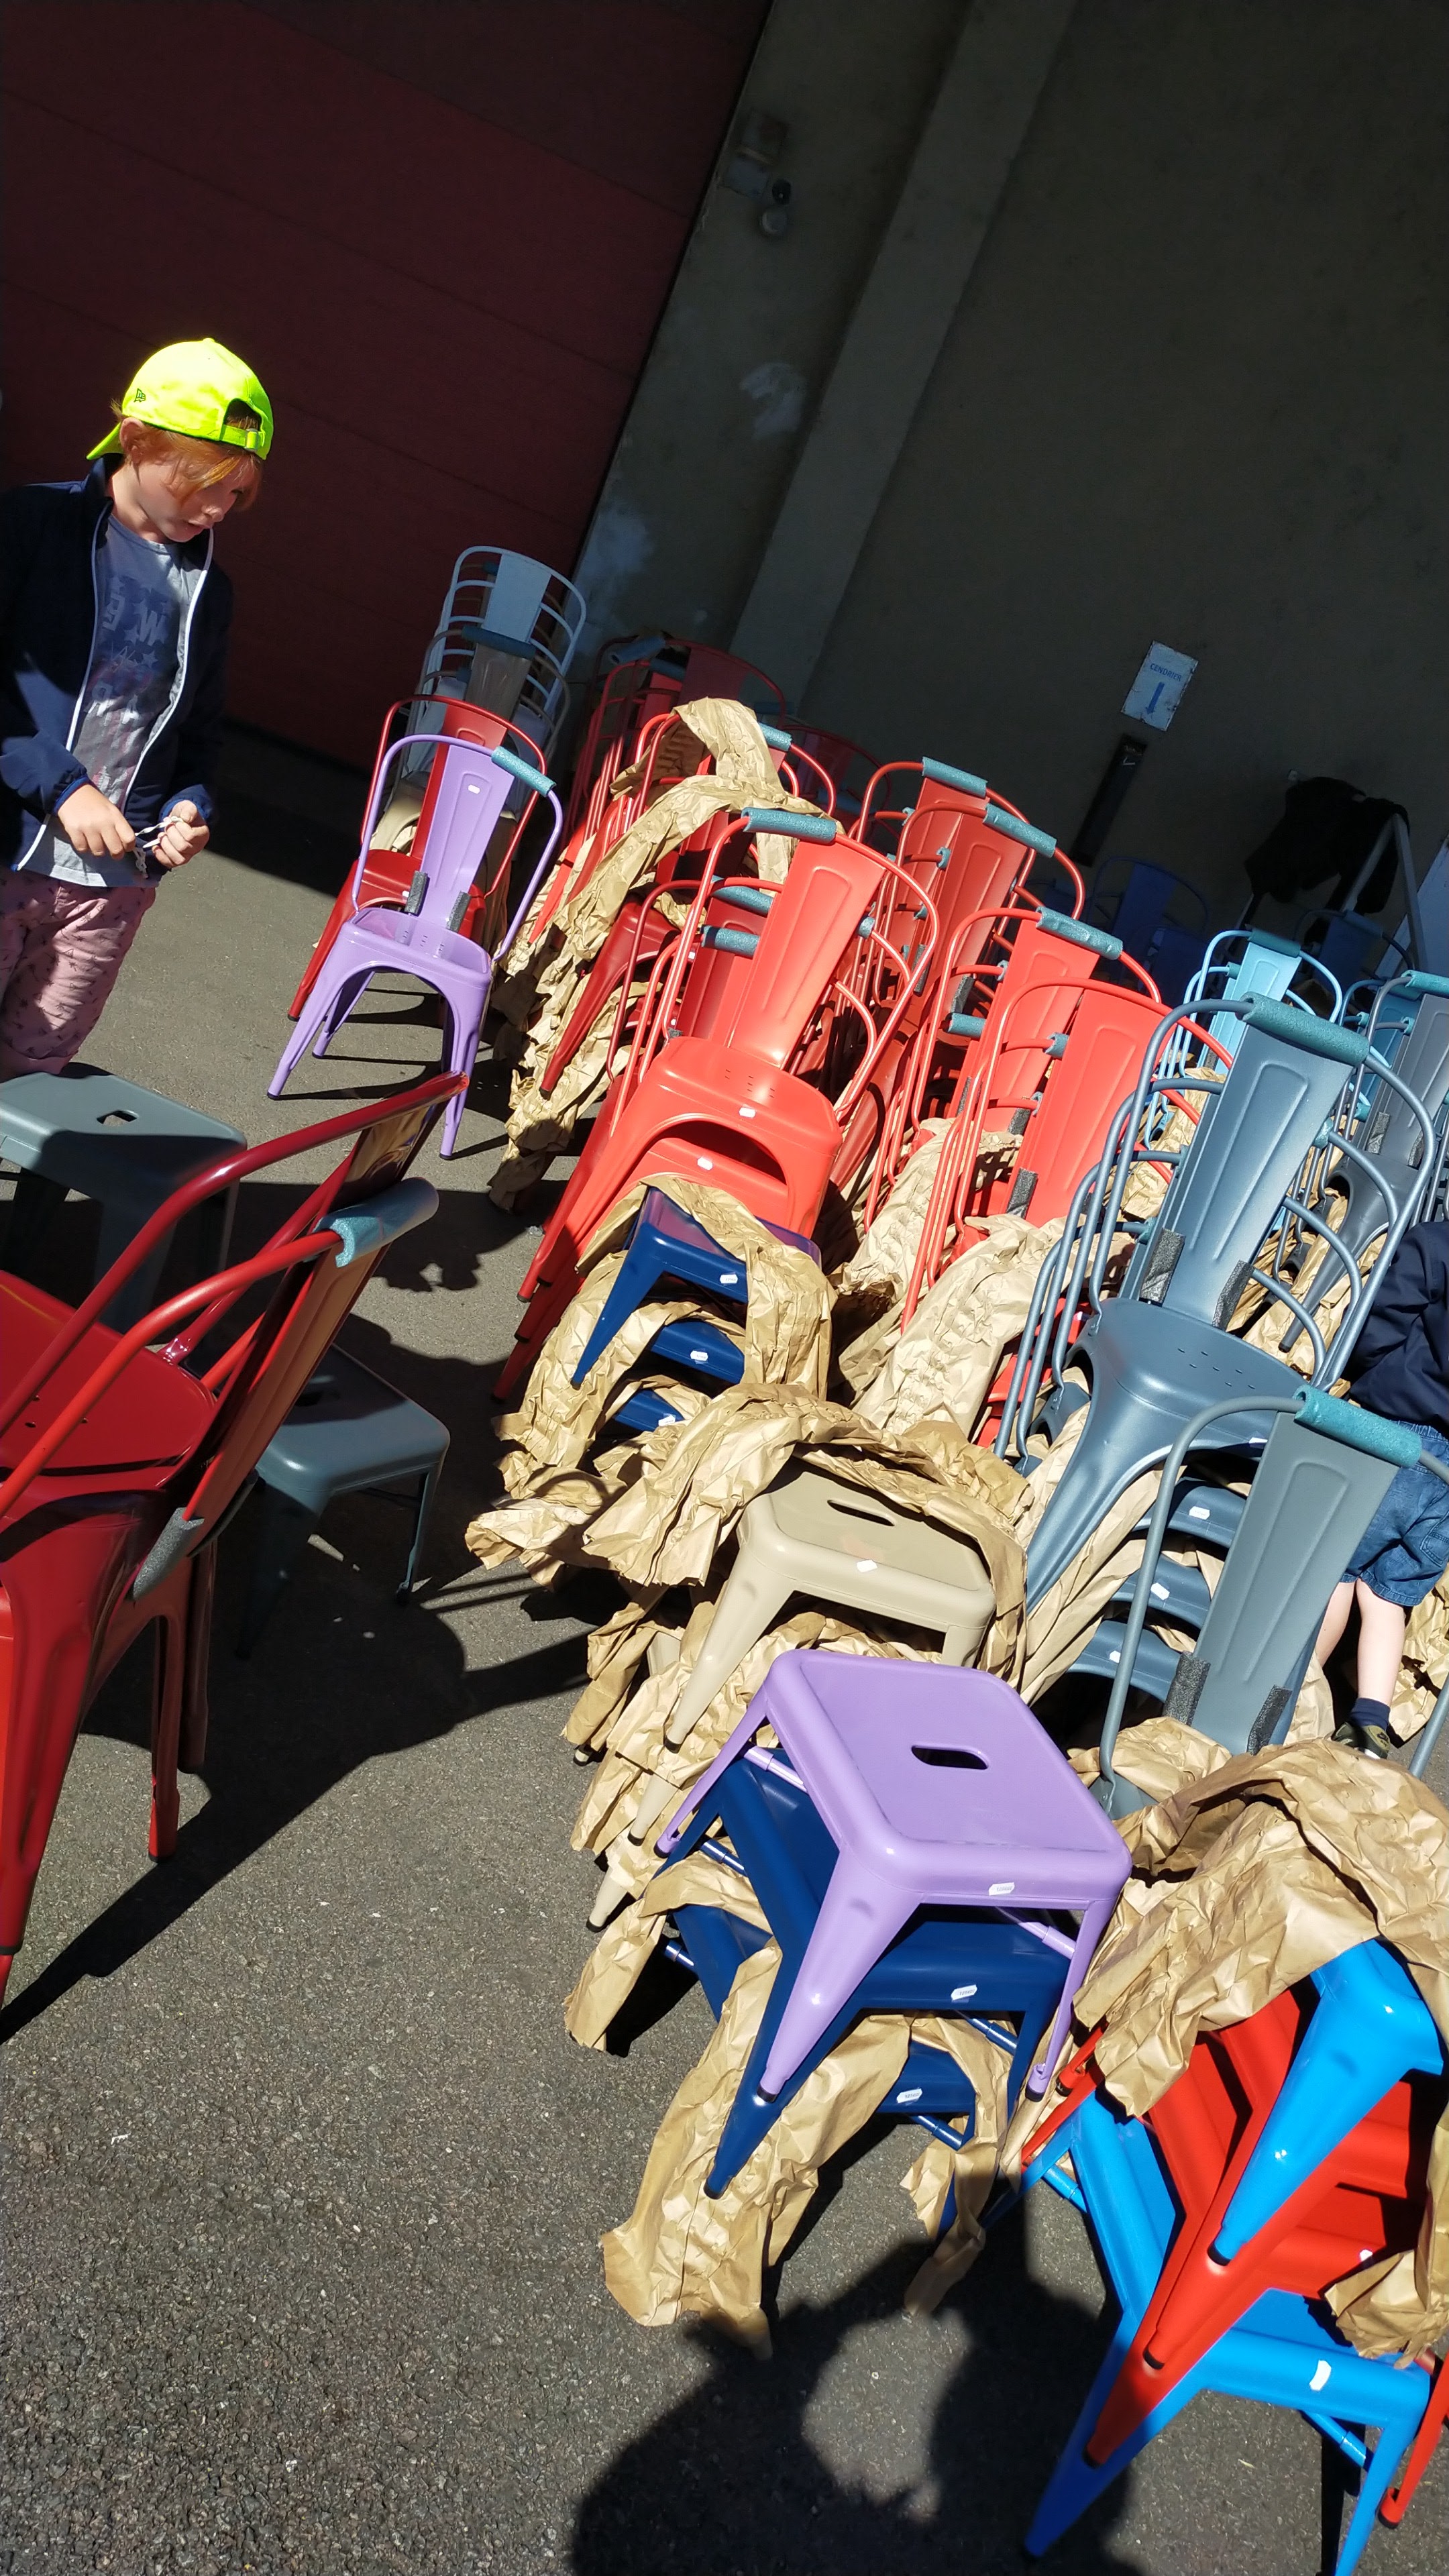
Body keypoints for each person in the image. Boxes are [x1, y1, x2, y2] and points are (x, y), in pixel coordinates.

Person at [0, 337, 272, 1078]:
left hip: (106, 896)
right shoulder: (31, 524)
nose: (217, 508)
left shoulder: (209, 592)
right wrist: (62, 786)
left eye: (236, 493)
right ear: (135, 440)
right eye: (203, 482)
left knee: (33, 1076)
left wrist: (190, 805)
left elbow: (200, 734)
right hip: (9, 852)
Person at [1315, 1217, 1449, 1754]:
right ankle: (1370, 1719)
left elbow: (1380, 1322)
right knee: (1386, 1593)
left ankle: (1288, 1693)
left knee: (1335, 1567)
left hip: (1402, 1433)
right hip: (1448, 1477)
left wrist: (1370, 1370)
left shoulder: (1437, 1243)